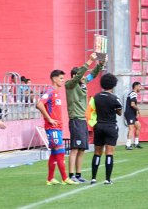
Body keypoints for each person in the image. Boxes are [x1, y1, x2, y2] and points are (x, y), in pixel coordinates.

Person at [65, 52, 104, 183]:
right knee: (75, 148)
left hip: (82, 120)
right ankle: (71, 175)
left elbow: (92, 75)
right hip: (75, 119)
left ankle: (78, 174)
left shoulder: (82, 83)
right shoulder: (70, 85)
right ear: (76, 76)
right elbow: (80, 76)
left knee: (82, 149)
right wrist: (89, 61)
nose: (84, 79)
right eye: (81, 77)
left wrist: (101, 63)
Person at [36, 69, 78, 186]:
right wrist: (49, 119)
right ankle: (65, 178)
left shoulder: (56, 92)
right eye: (61, 78)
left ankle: (50, 179)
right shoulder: (49, 91)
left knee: (55, 153)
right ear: (54, 79)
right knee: (60, 151)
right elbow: (39, 104)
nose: (63, 80)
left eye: (63, 78)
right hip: (52, 128)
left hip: (58, 127)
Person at [89, 73, 122, 185]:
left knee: (97, 152)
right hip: (110, 126)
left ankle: (93, 178)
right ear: (113, 85)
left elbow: (91, 110)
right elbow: (120, 112)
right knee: (109, 153)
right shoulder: (114, 98)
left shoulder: (96, 97)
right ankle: (107, 179)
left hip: (99, 126)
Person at [124, 81, 143, 150]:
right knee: (131, 129)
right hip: (129, 113)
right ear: (136, 86)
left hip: (132, 113)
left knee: (138, 126)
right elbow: (132, 104)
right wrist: (138, 109)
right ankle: (128, 145)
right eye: (140, 86)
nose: (140, 88)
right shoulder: (133, 94)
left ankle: (136, 143)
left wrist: (136, 112)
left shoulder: (132, 94)